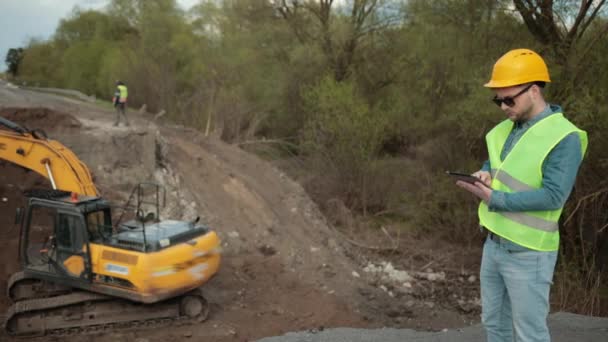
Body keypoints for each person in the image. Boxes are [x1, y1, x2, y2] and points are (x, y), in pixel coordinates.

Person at [455, 48, 588, 342]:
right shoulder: (505, 129)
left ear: (535, 90)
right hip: (494, 245)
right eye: (498, 100)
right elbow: (497, 163)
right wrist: (485, 173)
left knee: (530, 334)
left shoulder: (564, 137)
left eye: (509, 99)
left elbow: (554, 196)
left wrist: (496, 200)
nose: (503, 106)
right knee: (494, 325)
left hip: (529, 253)